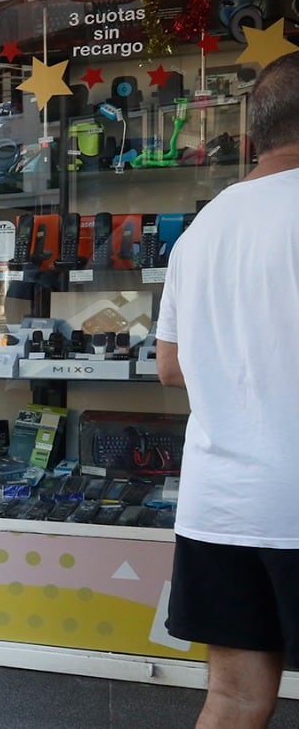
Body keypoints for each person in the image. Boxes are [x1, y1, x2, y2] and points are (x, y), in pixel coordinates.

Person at [156, 51, 299, 729]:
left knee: (235, 697)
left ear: (252, 133)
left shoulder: (203, 228)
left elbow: (171, 365)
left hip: (221, 508)